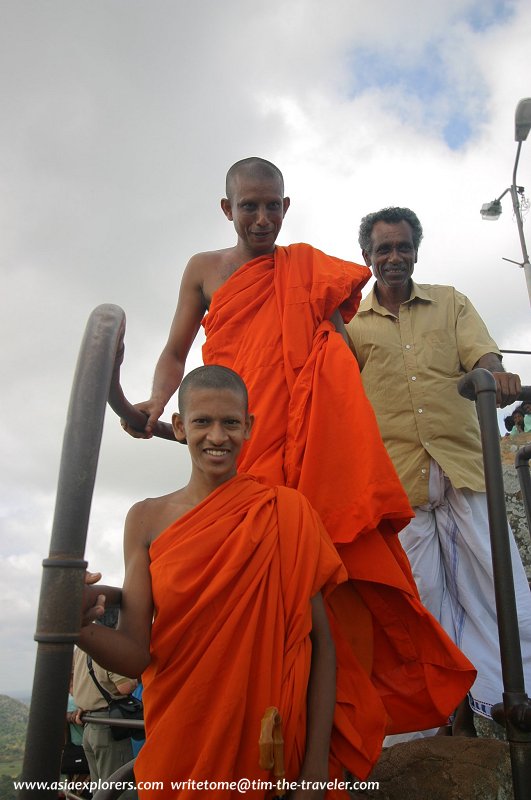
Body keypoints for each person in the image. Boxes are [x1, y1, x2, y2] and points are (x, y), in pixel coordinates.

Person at [122, 159, 475, 769]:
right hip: (236, 445)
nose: (261, 218)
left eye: (272, 207)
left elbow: (338, 358)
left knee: (307, 587)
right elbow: (176, 351)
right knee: (240, 585)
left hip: (291, 447)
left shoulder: (306, 271)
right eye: (249, 206)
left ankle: (315, 751)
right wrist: (156, 404)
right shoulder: (204, 271)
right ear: (227, 208)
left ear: (287, 208)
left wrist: (330, 372)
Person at [80, 365, 349, 798]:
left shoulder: (285, 512)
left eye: (230, 423)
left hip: (265, 747)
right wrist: (77, 628)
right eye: (203, 422)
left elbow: (321, 645)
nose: (218, 437)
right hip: (179, 742)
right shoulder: (146, 518)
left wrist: (315, 772)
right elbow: (132, 653)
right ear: (180, 427)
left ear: (249, 427)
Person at [346, 205, 531, 732]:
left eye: (403, 246)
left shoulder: (450, 302)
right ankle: (435, 723)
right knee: (420, 602)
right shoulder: (351, 328)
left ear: (415, 251)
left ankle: (512, 700)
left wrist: (496, 375)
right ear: (368, 257)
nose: (394, 257)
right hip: (399, 486)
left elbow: (483, 357)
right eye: (384, 249)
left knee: (502, 588)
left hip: (464, 469)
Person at [72, 609, 138, 796]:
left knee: (100, 790)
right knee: (118, 790)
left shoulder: (82, 646)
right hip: (109, 726)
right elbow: (124, 686)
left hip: (89, 724)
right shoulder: (107, 644)